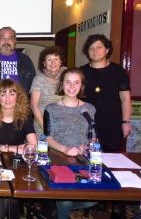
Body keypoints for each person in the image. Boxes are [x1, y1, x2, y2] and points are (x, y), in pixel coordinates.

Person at [0, 78, 37, 219]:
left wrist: (10, 149)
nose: (7, 98)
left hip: (15, 164)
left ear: (18, 96)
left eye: (11, 94)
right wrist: (14, 148)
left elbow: (33, 146)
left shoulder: (25, 116)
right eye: (3, 94)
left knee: (10, 194)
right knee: (5, 191)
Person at [43, 67, 97, 219]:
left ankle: (57, 208)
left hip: (83, 160)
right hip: (58, 159)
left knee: (95, 199)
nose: (72, 86)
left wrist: (88, 146)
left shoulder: (89, 108)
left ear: (82, 86)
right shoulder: (51, 109)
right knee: (66, 199)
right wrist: (65, 148)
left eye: (76, 82)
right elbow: (47, 137)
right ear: (61, 84)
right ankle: (61, 210)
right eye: (68, 82)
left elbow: (92, 136)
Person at [80, 34, 132, 152]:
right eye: (91, 48)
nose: (95, 51)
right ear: (87, 52)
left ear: (107, 50)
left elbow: (125, 98)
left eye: (99, 47)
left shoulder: (118, 71)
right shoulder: (81, 71)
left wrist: (126, 122)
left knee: (112, 158)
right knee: (87, 158)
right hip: (87, 122)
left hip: (112, 122)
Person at [30, 46, 67, 139]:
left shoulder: (67, 76)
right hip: (43, 125)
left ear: (61, 62)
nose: (53, 63)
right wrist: (48, 130)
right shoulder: (38, 80)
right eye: (49, 59)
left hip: (64, 125)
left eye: (56, 59)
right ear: (44, 63)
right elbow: (34, 107)